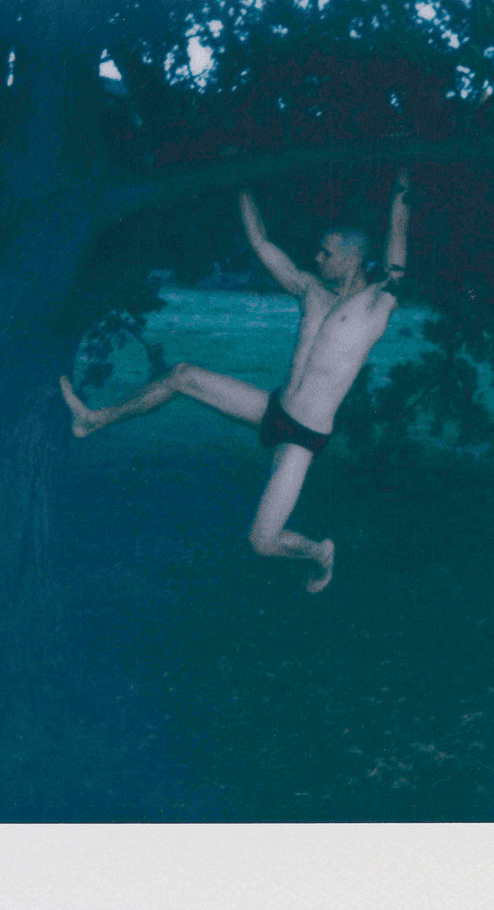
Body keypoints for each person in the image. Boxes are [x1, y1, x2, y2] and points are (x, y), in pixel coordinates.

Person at [60, 170, 411, 593]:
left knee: (261, 541)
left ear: (352, 259)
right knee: (182, 375)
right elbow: (262, 243)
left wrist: (402, 185)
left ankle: (319, 553)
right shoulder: (309, 290)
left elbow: (398, 236)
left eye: (327, 253)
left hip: (302, 437)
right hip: (273, 407)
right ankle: (94, 419)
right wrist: (241, 178)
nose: (317, 258)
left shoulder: (378, 304)